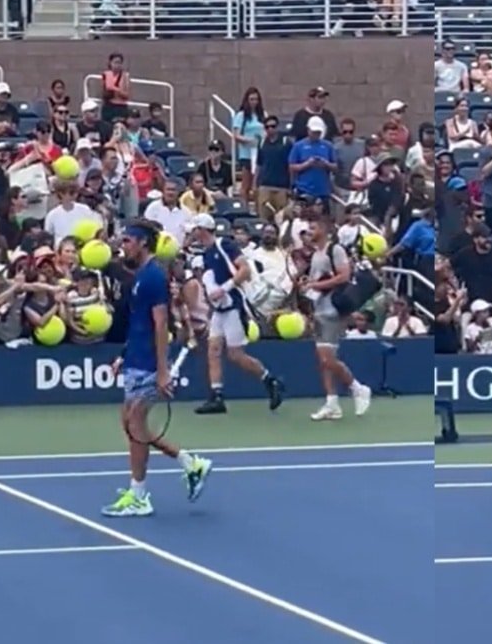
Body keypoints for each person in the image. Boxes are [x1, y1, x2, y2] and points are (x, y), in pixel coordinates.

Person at [102, 220, 211, 519]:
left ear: (142, 244)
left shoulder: (152, 278)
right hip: (136, 358)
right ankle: (190, 463)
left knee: (135, 426)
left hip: (150, 363)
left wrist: (163, 371)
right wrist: (123, 355)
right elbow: (140, 325)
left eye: (127, 241)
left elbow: (161, 325)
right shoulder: (140, 277)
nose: (123, 245)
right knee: (131, 425)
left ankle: (139, 496)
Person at [189, 214, 285, 415]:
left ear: (203, 229)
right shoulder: (207, 254)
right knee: (213, 350)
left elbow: (245, 271)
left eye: (195, 229)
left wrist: (224, 289)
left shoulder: (225, 245)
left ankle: (271, 380)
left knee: (235, 355)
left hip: (234, 306)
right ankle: (217, 397)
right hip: (220, 310)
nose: (193, 233)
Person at [304, 215, 373, 421]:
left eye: (313, 227)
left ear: (324, 230)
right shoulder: (316, 254)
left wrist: (315, 286)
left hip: (334, 310)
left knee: (328, 358)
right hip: (319, 309)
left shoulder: (336, 249)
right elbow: (319, 281)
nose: (309, 231)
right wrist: (308, 285)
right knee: (323, 361)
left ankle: (358, 388)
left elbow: (344, 276)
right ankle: (332, 403)